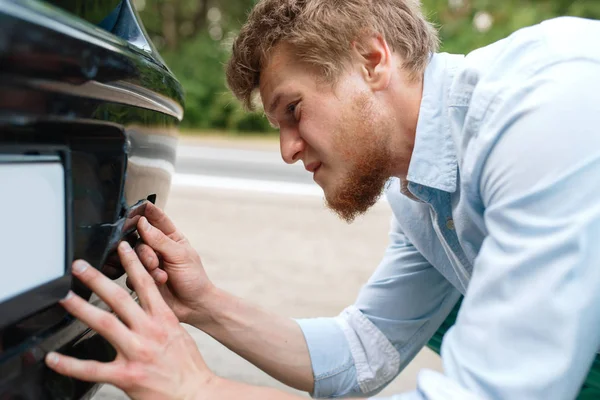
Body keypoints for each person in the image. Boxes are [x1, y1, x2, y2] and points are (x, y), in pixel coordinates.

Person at [45, 0, 600, 399]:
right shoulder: (420, 194)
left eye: (293, 110)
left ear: (372, 58)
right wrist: (203, 305)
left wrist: (198, 388)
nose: (287, 150)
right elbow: (363, 351)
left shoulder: (544, 109)